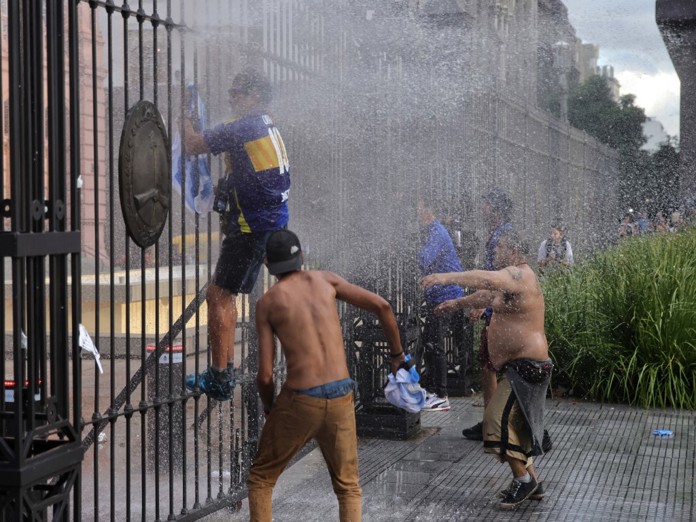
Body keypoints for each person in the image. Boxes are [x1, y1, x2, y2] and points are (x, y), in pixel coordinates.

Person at [248, 229, 405, 522]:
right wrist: (397, 357)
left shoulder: (267, 304)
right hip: (341, 396)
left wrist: (272, 409)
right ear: (302, 257)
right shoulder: (326, 280)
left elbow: (266, 376)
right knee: (348, 487)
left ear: (267, 263)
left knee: (261, 478)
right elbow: (383, 306)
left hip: (300, 399)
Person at [421, 232, 553, 510]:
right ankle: (534, 481)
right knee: (516, 425)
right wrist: (455, 304)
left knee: (495, 421)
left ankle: (523, 480)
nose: (495, 251)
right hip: (521, 366)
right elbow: (486, 293)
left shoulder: (520, 275)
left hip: (528, 367)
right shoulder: (510, 281)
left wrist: (445, 278)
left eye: (500, 247)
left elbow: (486, 279)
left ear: (515, 251)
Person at [183, 69, 291, 400]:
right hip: (272, 222)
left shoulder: (244, 126)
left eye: (237, 93)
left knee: (218, 294)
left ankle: (219, 377)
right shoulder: (266, 122)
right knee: (228, 294)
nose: (231, 98)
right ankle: (226, 370)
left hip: (252, 226)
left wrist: (183, 116)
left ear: (254, 96)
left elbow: (192, 145)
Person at [461, 188, 512, 441]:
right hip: (496, 307)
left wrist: (486, 303)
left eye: (485, 205)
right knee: (489, 365)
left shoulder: (503, 236)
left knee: (493, 366)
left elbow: (501, 277)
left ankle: (492, 426)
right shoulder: (498, 233)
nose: (481, 209)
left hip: (500, 310)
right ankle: (490, 422)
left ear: (496, 208)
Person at [417, 197, 466, 411]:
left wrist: (402, 253)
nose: (416, 215)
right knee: (430, 342)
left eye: (419, 210)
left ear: (429, 212)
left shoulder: (437, 233)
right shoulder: (432, 232)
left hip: (445, 295)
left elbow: (423, 259)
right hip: (441, 294)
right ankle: (432, 389)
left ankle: (441, 394)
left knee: (435, 344)